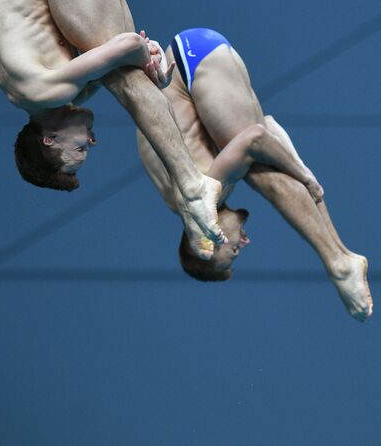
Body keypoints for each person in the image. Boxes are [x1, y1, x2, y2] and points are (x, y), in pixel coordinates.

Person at [0, 0, 227, 246]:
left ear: (49, 138)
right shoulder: (42, 94)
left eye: (81, 148)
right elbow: (131, 51)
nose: (92, 141)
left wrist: (143, 57)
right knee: (131, 78)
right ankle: (192, 185)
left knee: (127, 84)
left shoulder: (44, 88)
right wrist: (149, 62)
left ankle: (193, 187)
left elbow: (128, 45)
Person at [137, 27, 373, 322]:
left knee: (260, 171)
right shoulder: (179, 199)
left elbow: (256, 138)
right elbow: (270, 127)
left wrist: (304, 174)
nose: (244, 245)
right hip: (188, 59)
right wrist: (298, 167)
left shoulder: (200, 197)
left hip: (191, 64)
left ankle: (338, 262)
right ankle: (339, 257)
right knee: (264, 162)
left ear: (206, 247)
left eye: (233, 253)